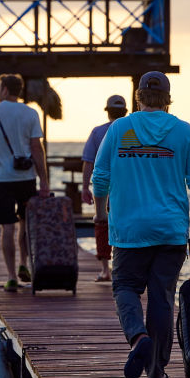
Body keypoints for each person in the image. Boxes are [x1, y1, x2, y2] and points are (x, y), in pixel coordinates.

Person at [91, 71, 190, 378]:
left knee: (125, 289)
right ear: (168, 99)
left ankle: (137, 338)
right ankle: (157, 370)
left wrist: (101, 213)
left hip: (130, 230)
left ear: (138, 97)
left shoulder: (120, 128)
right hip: (170, 229)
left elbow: (100, 176)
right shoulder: (184, 132)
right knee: (161, 297)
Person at [0, 73, 50, 292]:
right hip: (26, 178)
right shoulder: (31, 113)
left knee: (7, 227)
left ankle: (12, 276)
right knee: (26, 223)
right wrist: (44, 180)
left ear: (4, 89)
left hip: (2, 179)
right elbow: (36, 148)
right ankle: (25, 264)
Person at [81, 94, 128, 282]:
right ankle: (120, 266)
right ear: (125, 112)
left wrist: (85, 187)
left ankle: (104, 269)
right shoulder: (133, 131)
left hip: (103, 187)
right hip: (127, 187)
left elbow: (88, 162)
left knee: (102, 224)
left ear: (107, 112)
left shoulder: (98, 132)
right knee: (124, 223)